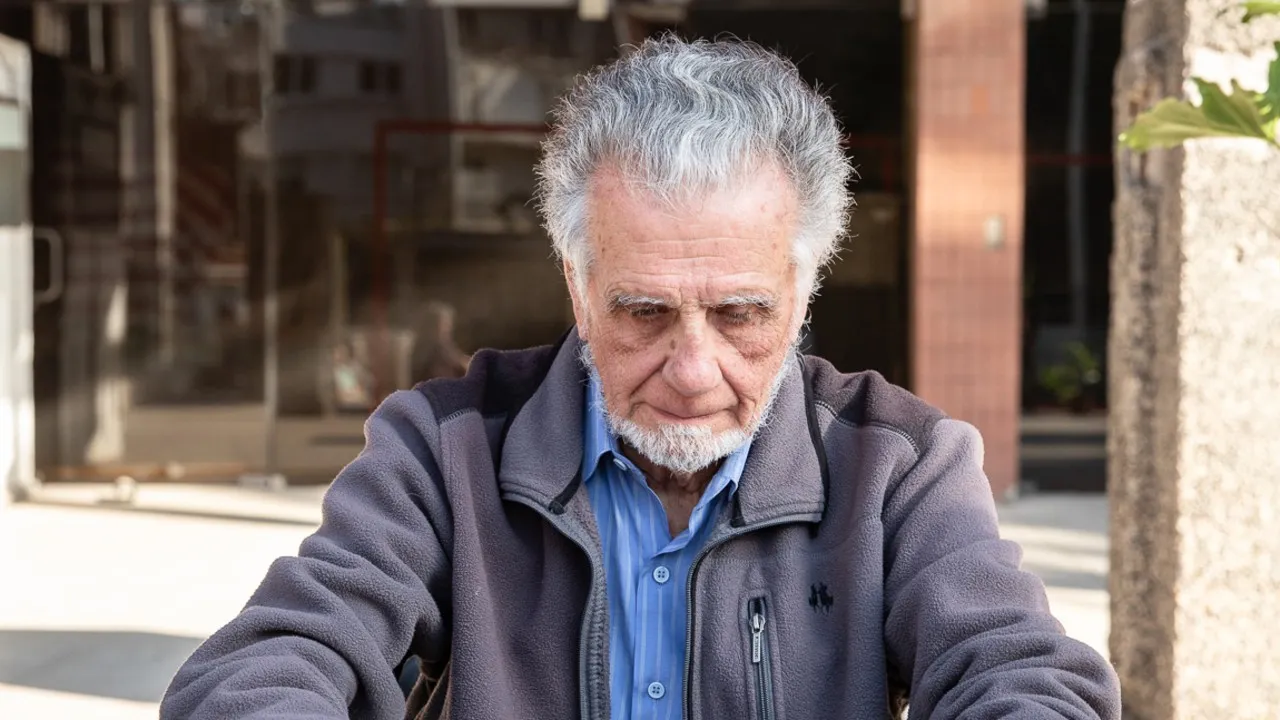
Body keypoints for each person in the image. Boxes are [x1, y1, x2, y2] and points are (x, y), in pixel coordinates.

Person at [160, 36, 1120, 720]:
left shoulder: (900, 467)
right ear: (578, 289)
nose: (693, 371)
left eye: (739, 314)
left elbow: (1022, 675)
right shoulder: (442, 452)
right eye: (644, 313)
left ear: (801, 292)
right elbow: (275, 663)